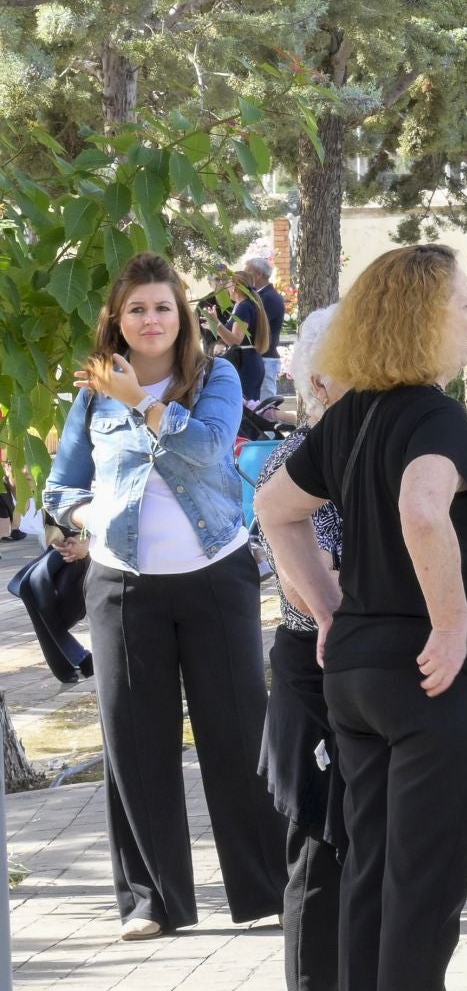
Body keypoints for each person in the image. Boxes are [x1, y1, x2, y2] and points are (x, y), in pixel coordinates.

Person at [258, 244, 467, 991]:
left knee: (371, 875)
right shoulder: (432, 417)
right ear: (421, 316)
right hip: (433, 679)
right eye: (463, 300)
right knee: (422, 887)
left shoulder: (353, 416)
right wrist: (450, 623)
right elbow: (421, 507)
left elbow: (275, 508)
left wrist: (331, 609)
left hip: (361, 675)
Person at [43, 253, 288, 940]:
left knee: (236, 732)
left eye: (162, 307)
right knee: (135, 741)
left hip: (215, 574)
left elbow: (208, 449)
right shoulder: (92, 394)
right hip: (122, 583)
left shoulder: (216, 377)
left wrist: (141, 402)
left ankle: (268, 889)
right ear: (117, 320)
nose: (151, 319)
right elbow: (61, 490)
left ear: (182, 316)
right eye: (137, 309)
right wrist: (84, 519)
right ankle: (151, 901)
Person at [256, 303, 347, 991]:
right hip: (312, 668)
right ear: (320, 381)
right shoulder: (294, 461)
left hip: (372, 666)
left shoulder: (382, 451)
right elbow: (310, 578)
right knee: (318, 844)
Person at [6, 518, 91, 684]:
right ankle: (79, 660)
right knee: (30, 586)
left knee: (35, 587)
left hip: (85, 542)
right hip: (62, 541)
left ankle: (78, 660)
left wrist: (87, 541)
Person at [208, 257, 286, 401]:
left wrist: (216, 324)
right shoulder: (251, 302)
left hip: (252, 360)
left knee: (254, 407)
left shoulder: (252, 303)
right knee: (255, 406)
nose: (227, 289)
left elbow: (236, 339)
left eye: (229, 285)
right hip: (254, 358)